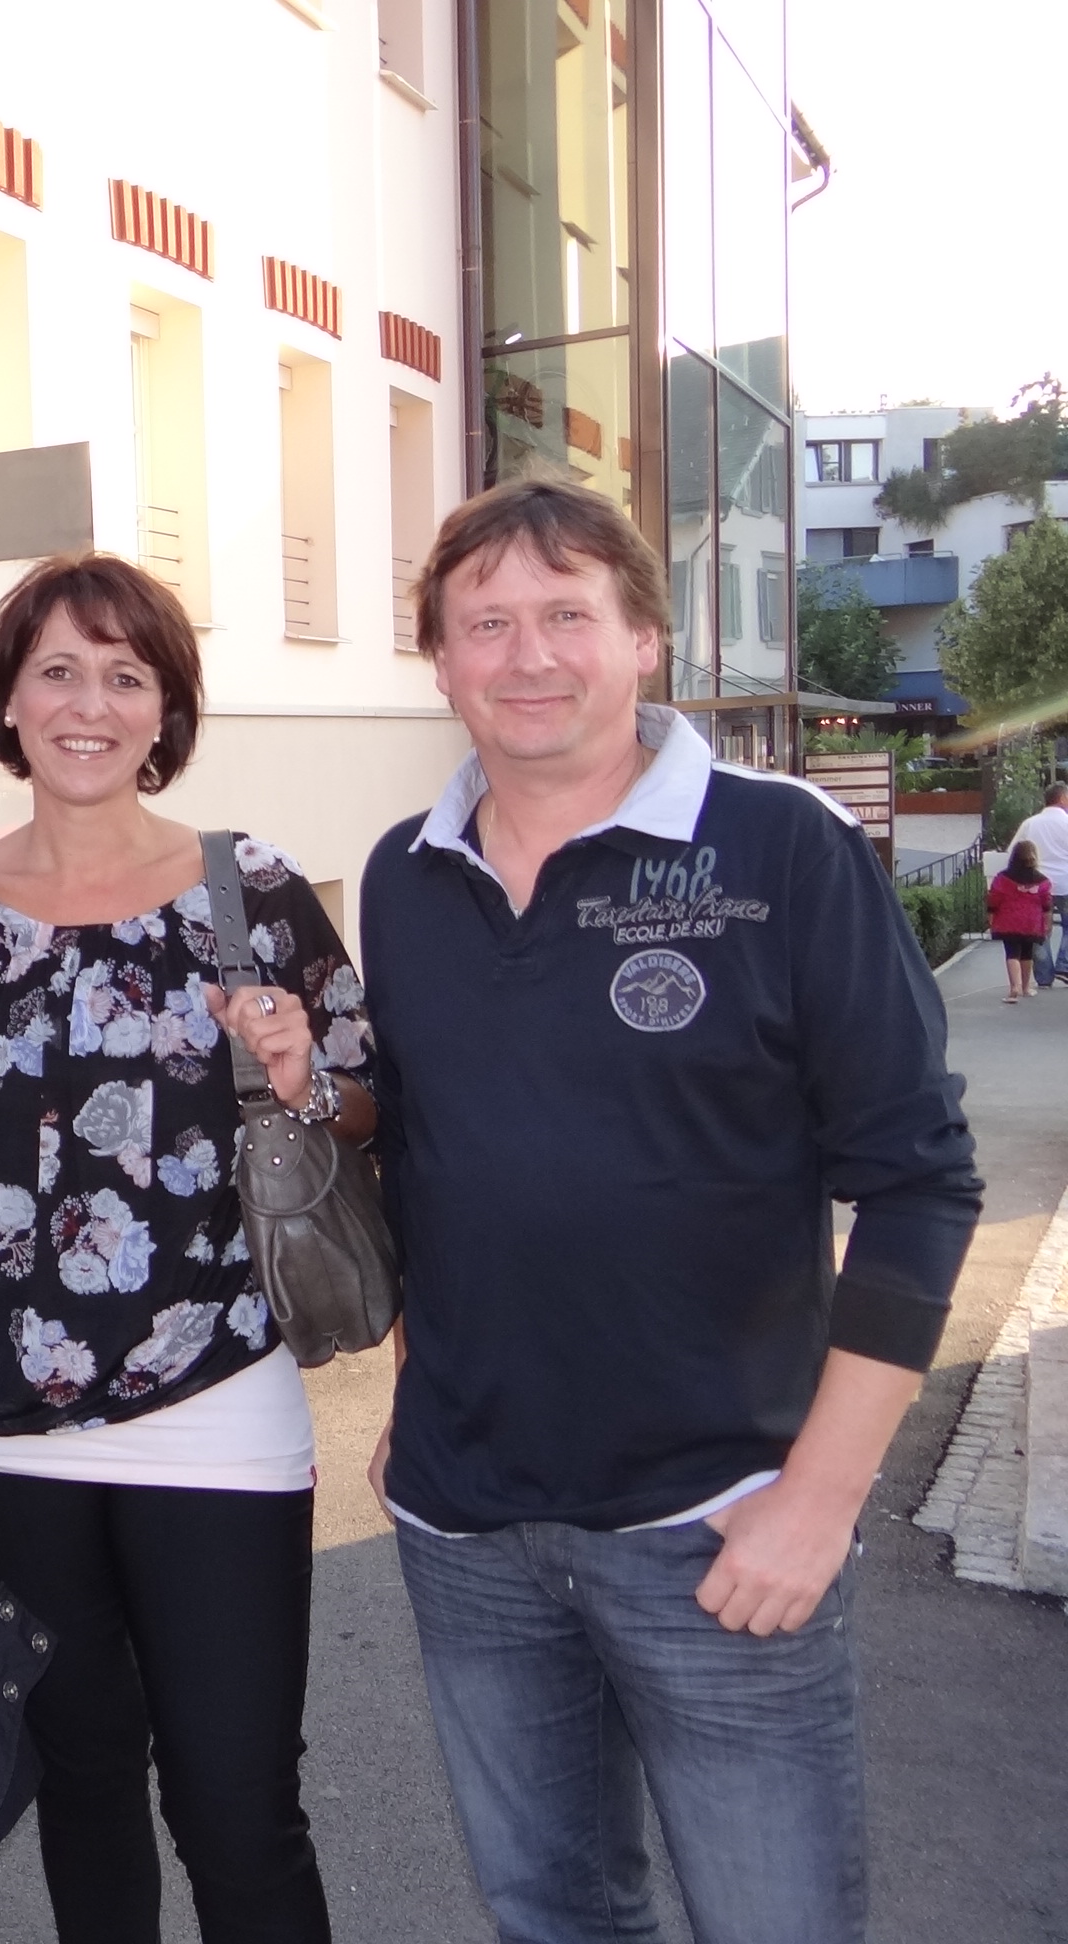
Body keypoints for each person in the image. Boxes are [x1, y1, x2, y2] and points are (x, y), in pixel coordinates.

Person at [361, 475, 982, 1944]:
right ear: (439, 662)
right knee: (553, 1917)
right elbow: (437, 1162)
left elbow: (918, 1184)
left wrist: (819, 1502)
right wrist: (417, 1388)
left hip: (722, 1527)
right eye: (486, 624)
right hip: (469, 1529)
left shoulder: (782, 849)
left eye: (567, 614)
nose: (528, 656)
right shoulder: (403, 875)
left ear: (645, 638)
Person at [0, 551, 353, 1944]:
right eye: (58, 672)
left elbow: (368, 1096)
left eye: (126, 676)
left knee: (237, 1806)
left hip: (214, 1406)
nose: (90, 705)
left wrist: (304, 1073)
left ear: (167, 711)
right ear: (9, 704)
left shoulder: (247, 892)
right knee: (82, 1781)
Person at [1007, 779, 1068, 983]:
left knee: (1039, 929)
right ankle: (1064, 965)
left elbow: (1013, 852)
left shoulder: (1030, 824)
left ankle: (1043, 976)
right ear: (1062, 798)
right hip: (1066, 882)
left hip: (1036, 885)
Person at [989, 839, 1052, 1001]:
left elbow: (994, 898)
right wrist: (1047, 923)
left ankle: (1014, 987)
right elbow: (1046, 904)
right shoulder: (1042, 881)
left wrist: (991, 916)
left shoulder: (1002, 878)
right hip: (1031, 923)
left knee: (1012, 953)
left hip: (1008, 921)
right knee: (1027, 954)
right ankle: (1025, 988)